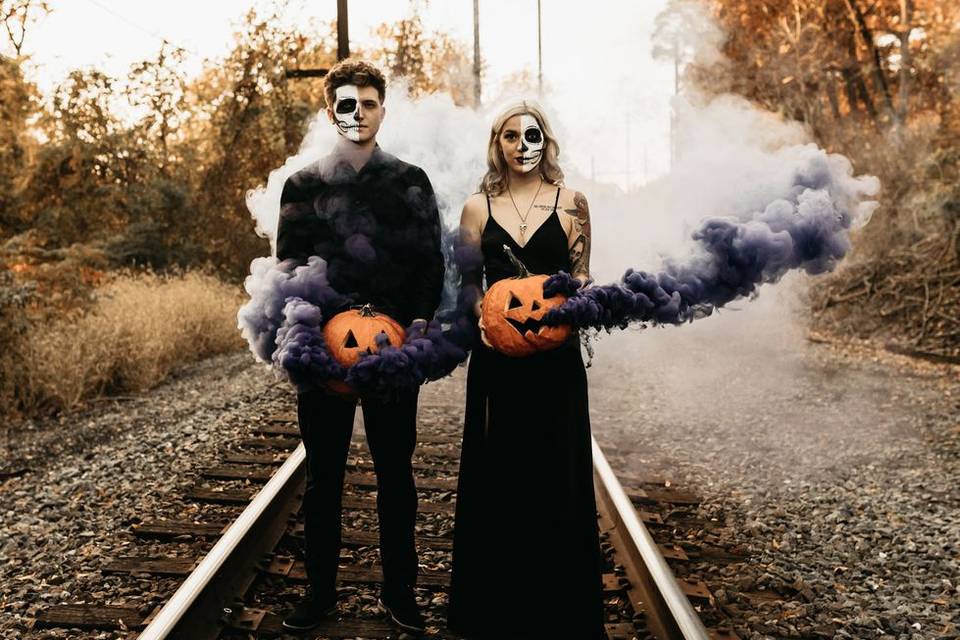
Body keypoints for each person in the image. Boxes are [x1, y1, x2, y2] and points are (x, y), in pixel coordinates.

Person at [275, 59, 444, 634]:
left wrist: (417, 325)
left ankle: (401, 594)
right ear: (331, 111)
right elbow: (289, 269)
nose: (358, 113)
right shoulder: (302, 185)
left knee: (396, 474)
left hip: (392, 353)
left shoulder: (411, 180)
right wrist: (304, 338)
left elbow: (431, 264)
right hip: (324, 354)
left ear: (382, 109)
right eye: (346, 104)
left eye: (368, 103)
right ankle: (319, 593)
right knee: (324, 477)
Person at [447, 100, 604, 639]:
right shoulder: (476, 208)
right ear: (498, 144)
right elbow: (466, 284)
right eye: (510, 136)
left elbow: (583, 276)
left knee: (556, 473)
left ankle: (559, 612)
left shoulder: (572, 204)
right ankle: (497, 612)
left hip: (556, 362)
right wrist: (479, 315)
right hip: (499, 361)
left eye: (531, 134)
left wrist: (571, 304)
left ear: (546, 141)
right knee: (501, 475)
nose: (521, 145)